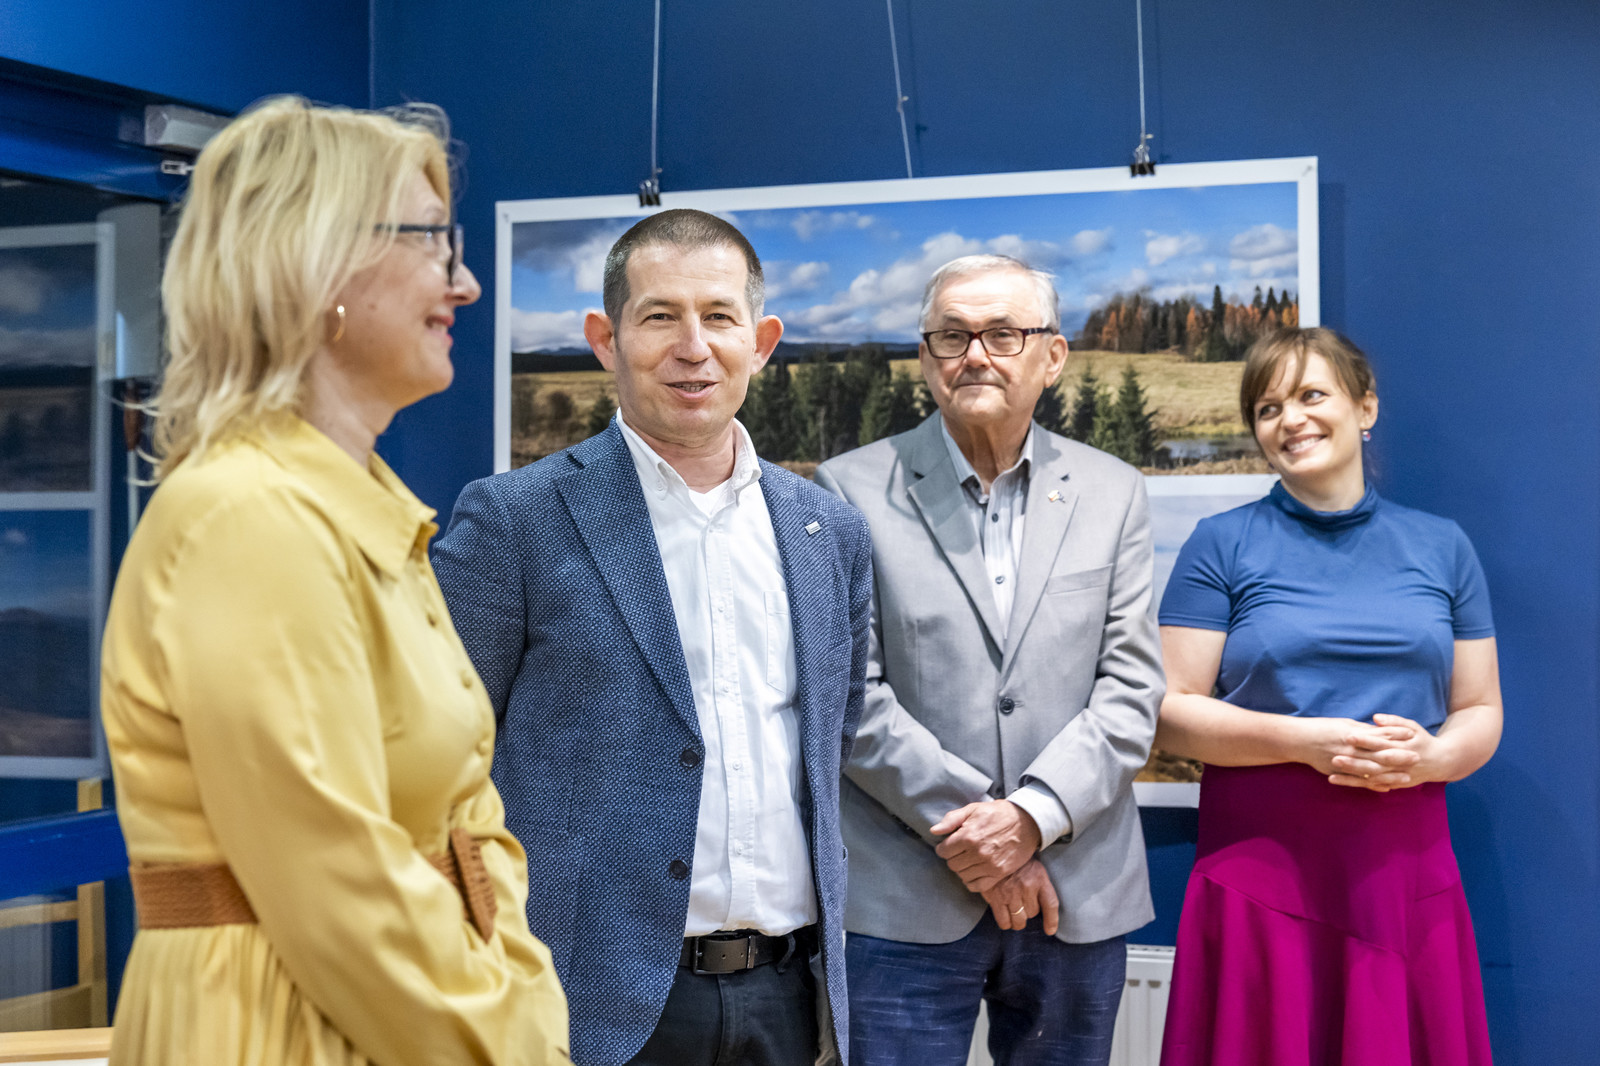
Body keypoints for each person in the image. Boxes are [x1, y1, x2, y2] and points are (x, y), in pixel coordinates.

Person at [99, 97, 570, 1066]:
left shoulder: (361, 509)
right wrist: (508, 1043)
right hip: (279, 1029)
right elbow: (338, 882)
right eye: (433, 243)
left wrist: (525, 1011)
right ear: (315, 263)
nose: (466, 284)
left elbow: (471, 824)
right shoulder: (248, 518)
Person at [432, 208, 872, 1066]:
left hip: (789, 995)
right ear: (606, 340)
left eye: (719, 317)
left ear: (762, 342)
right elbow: (439, 759)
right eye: (660, 316)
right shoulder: (516, 520)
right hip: (585, 1001)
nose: (692, 347)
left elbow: (834, 738)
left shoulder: (829, 532)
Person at [814, 253, 1164, 1066]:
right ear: (925, 357)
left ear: (1052, 356)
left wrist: (1033, 817)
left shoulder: (1114, 491)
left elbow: (1130, 687)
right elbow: (849, 694)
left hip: (1077, 887)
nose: (975, 354)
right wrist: (986, 836)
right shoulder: (847, 490)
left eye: (1003, 334)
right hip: (905, 895)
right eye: (952, 335)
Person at [1155, 327, 1501, 1065]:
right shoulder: (1220, 543)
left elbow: (1480, 710)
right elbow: (1170, 714)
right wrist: (1305, 742)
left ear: (1365, 407)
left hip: (1403, 872)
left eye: (1311, 395)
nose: (1291, 419)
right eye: (1268, 407)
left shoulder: (1443, 547)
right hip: (1260, 872)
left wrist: (1433, 759)